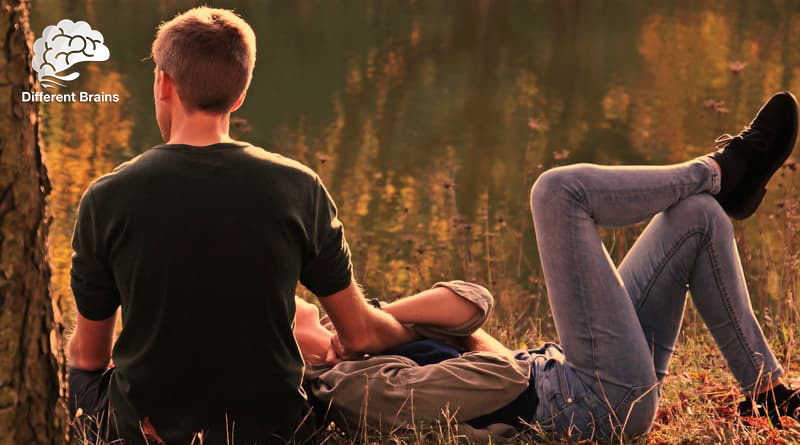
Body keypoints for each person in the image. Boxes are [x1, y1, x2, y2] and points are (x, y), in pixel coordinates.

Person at [298, 92, 800, 442]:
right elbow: (500, 379)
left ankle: (765, 390)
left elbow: (472, 304)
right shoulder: (350, 388)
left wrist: (377, 322)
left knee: (697, 216)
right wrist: (398, 336)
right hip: (595, 403)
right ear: (294, 350)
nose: (304, 304)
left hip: (582, 375)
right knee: (556, 193)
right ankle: (721, 170)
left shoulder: (363, 339)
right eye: (291, 313)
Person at [66, 7, 415, 444]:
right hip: (277, 430)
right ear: (240, 95)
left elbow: (90, 356)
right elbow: (359, 334)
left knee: (77, 372)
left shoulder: (107, 196)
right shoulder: (298, 186)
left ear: (164, 83)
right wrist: (410, 330)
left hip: (143, 431)